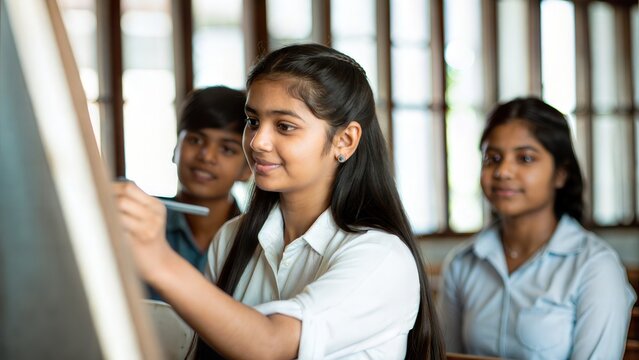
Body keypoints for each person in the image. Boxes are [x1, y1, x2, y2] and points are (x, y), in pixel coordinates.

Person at [114, 43, 445, 359]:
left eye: (285, 126)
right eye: (253, 121)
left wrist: (159, 261)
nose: (257, 142)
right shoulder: (232, 236)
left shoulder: (381, 258)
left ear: (345, 140)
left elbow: (269, 346)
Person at [437, 97, 636, 359]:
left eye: (526, 158)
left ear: (561, 174)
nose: (503, 172)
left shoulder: (595, 267)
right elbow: (447, 356)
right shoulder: (463, 264)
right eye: (493, 158)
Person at [148, 86, 251, 301]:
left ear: (248, 169)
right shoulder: (142, 223)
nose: (206, 156)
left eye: (227, 149)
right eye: (195, 140)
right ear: (175, 148)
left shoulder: (255, 239)